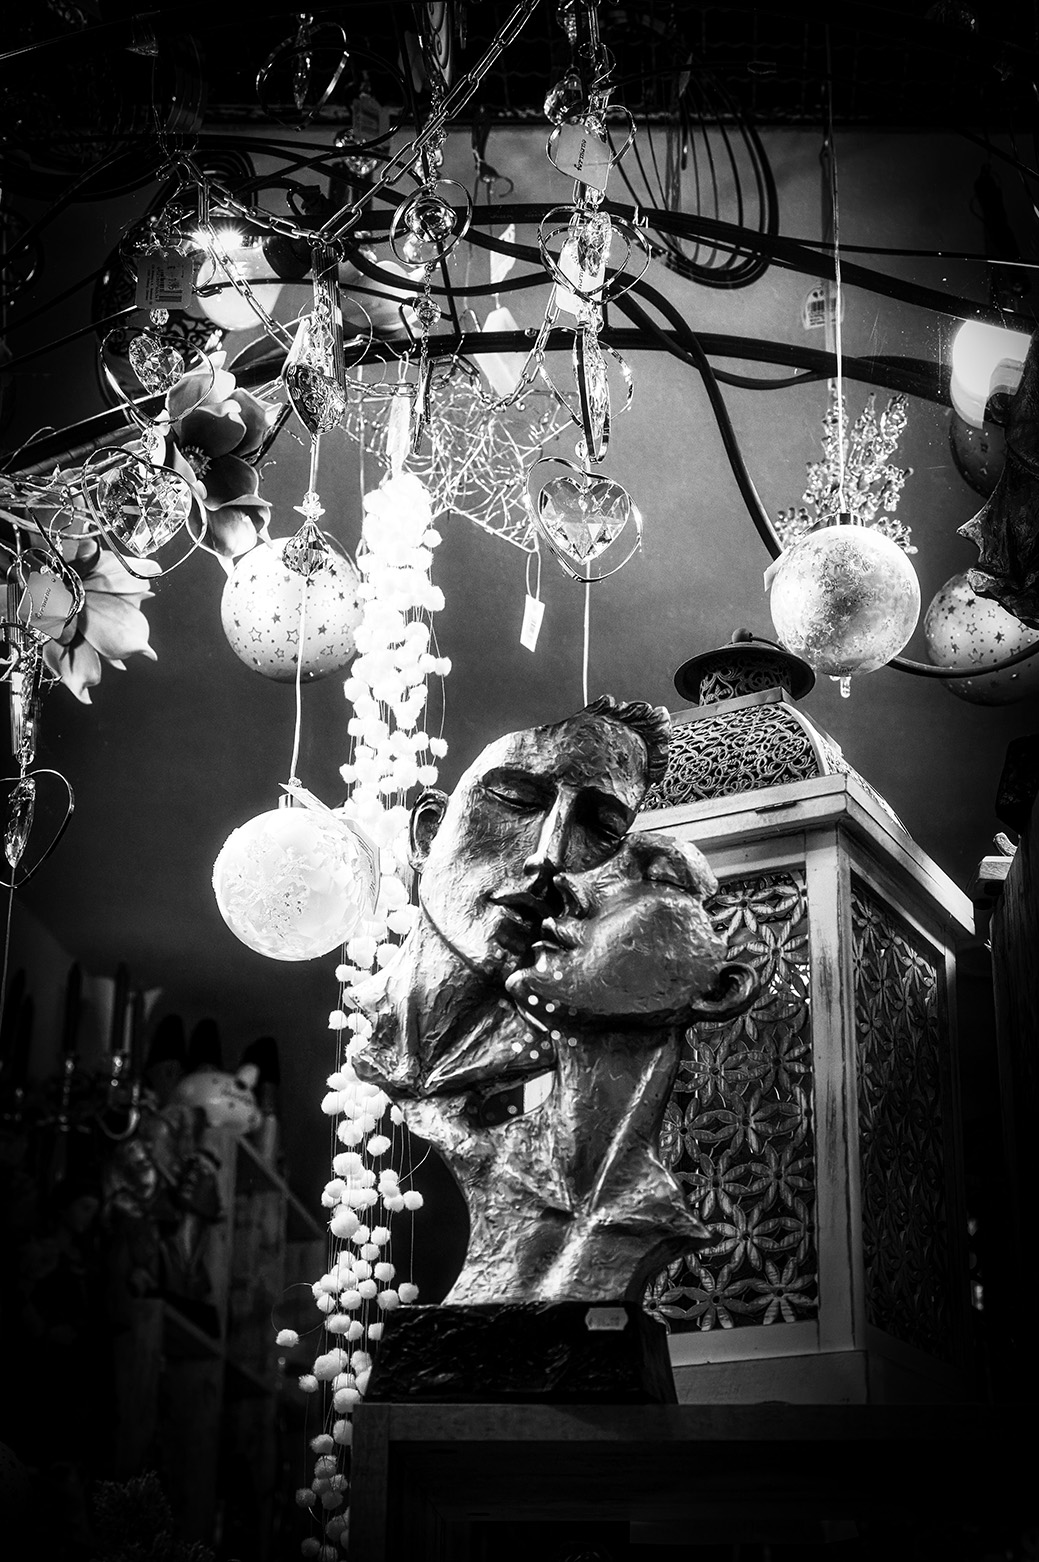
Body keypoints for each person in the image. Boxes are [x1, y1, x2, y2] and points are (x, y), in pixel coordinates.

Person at [358, 813, 756, 1305]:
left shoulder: (642, 1209)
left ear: (720, 989)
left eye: (654, 877)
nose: (570, 887)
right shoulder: (481, 1151)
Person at [352, 695, 670, 1100]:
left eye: (602, 829)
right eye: (515, 799)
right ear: (427, 832)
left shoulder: (572, 1072)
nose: (549, 856)